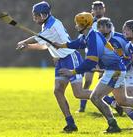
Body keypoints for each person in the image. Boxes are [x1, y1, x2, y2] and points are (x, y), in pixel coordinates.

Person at [54, 12, 133, 133]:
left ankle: (113, 125)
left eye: (77, 24)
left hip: (114, 71)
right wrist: (62, 45)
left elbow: (90, 61)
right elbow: (77, 43)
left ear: (84, 25)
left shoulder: (93, 37)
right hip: (116, 70)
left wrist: (73, 72)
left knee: (95, 97)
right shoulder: (88, 35)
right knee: (123, 101)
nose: (76, 26)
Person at [16, 1, 92, 132]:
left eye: (36, 16)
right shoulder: (46, 25)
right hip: (60, 61)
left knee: (78, 93)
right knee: (58, 91)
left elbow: (37, 38)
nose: (34, 18)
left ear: (44, 15)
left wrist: (24, 41)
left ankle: (111, 100)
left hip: (70, 58)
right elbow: (45, 45)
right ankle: (71, 123)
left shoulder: (52, 26)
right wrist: (28, 47)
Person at [97, 17, 133, 129]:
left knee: (131, 95)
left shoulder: (120, 38)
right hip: (114, 72)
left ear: (110, 27)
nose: (102, 29)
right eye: (100, 27)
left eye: (105, 26)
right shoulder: (98, 40)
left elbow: (131, 54)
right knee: (122, 100)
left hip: (128, 70)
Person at [78, 1, 123, 116]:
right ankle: (82, 107)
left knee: (104, 82)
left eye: (100, 8)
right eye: (95, 8)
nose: (98, 10)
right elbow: (82, 37)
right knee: (87, 81)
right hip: (91, 57)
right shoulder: (88, 22)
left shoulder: (108, 23)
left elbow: (110, 40)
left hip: (104, 58)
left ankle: (111, 102)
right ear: (92, 10)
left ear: (104, 9)